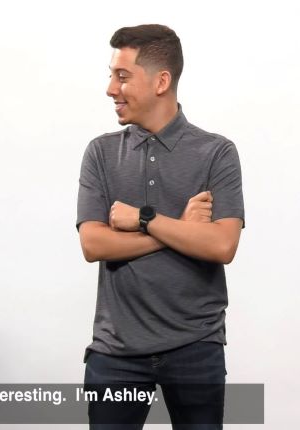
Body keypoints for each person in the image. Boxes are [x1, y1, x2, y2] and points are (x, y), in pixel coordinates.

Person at [77, 25, 244, 429]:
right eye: (111, 75)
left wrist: (143, 219)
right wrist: (177, 230)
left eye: (122, 76)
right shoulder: (101, 152)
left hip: (196, 345)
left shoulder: (217, 152)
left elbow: (222, 245)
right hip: (116, 350)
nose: (110, 88)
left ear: (161, 81)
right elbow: (93, 243)